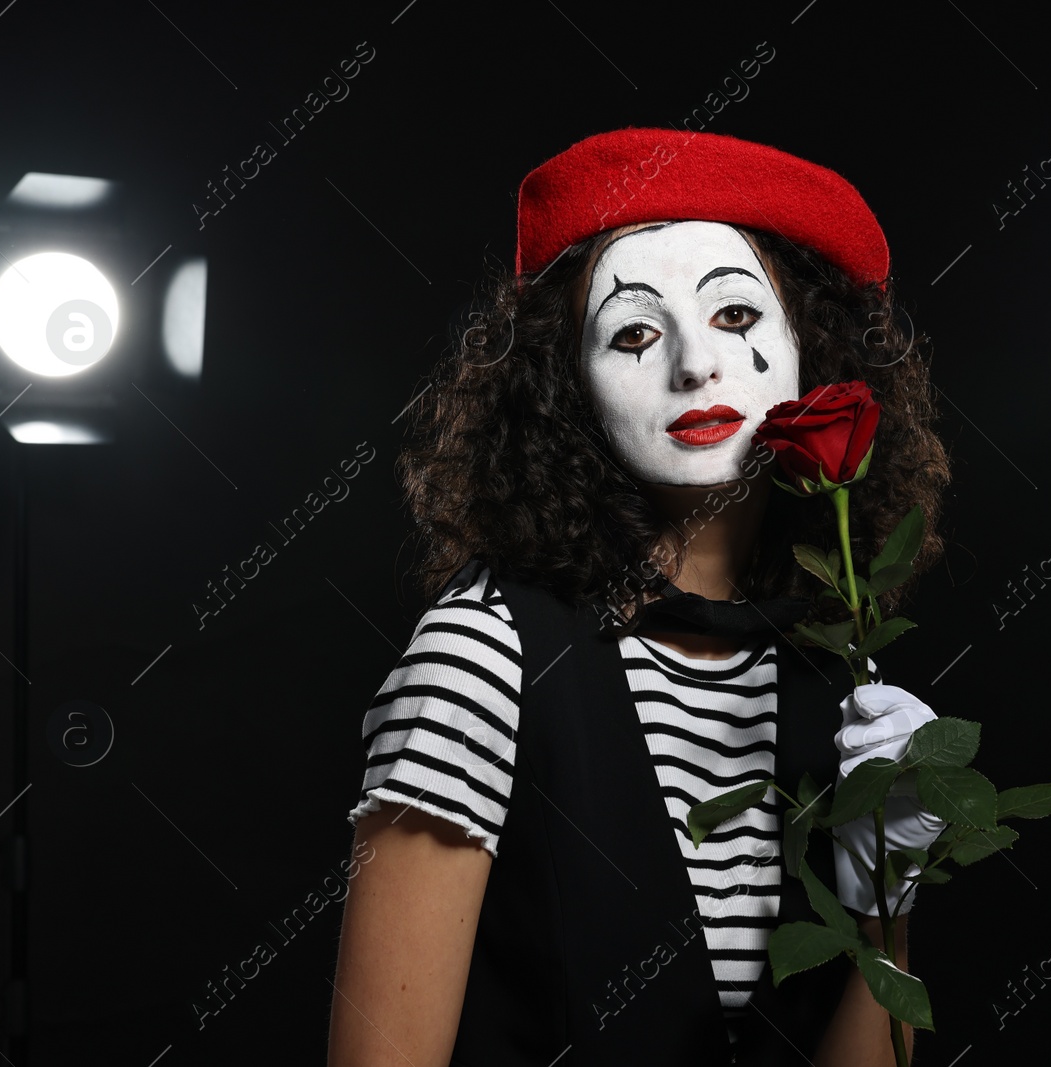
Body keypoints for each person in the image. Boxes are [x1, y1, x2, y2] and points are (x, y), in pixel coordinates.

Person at [327, 128, 954, 1067]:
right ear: (565, 386)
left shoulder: (836, 667)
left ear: (809, 350)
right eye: (632, 332)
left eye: (737, 317)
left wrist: (889, 898)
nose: (694, 365)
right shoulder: (481, 654)